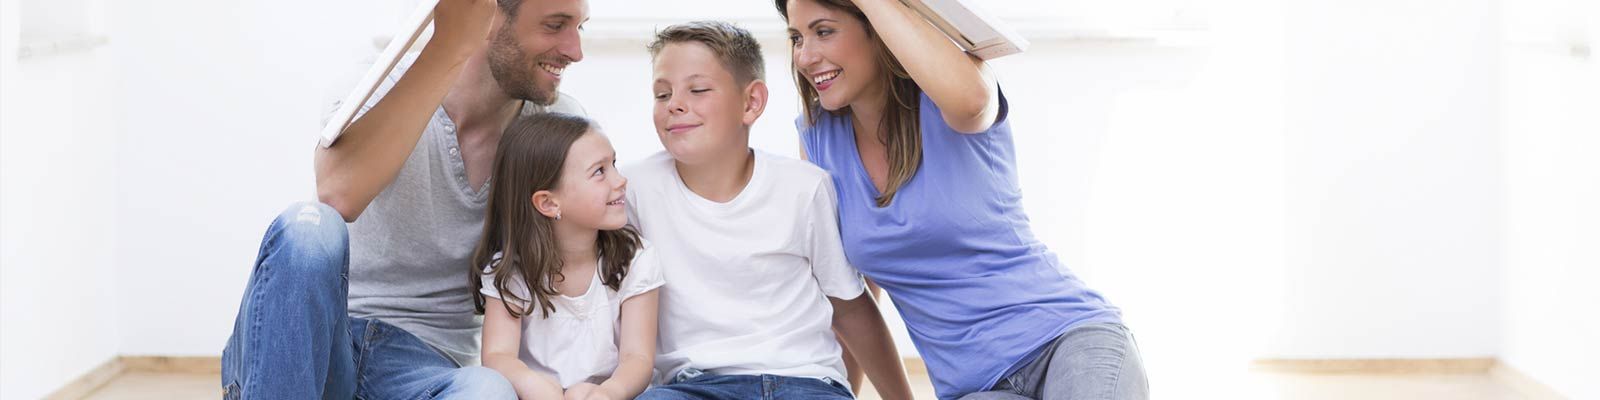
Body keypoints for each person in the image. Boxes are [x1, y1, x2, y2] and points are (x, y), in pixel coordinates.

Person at [778, 0, 1150, 399]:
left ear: (879, 25)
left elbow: (972, 104)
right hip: (975, 387)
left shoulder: (950, 94)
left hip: (1068, 340)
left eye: (824, 31)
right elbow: (850, 298)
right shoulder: (818, 140)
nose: (805, 55)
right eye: (797, 37)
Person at [219, 0, 590, 398]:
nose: (575, 50)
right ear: (488, 15)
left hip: (425, 367)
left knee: (487, 390)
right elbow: (339, 194)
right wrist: (450, 44)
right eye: (555, 26)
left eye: (579, 28)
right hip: (317, 347)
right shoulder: (372, 83)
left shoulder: (558, 132)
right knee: (308, 229)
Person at [626, 20, 913, 400]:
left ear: (751, 102)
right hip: (692, 386)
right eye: (662, 95)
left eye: (697, 89)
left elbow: (851, 309)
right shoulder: (633, 188)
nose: (675, 104)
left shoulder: (804, 187)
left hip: (804, 382)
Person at [473, 113, 659, 400]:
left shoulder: (634, 259)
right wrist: (534, 386)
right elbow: (498, 355)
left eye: (614, 164)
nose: (620, 180)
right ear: (548, 202)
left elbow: (638, 358)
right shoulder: (511, 272)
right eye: (599, 171)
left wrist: (608, 393)